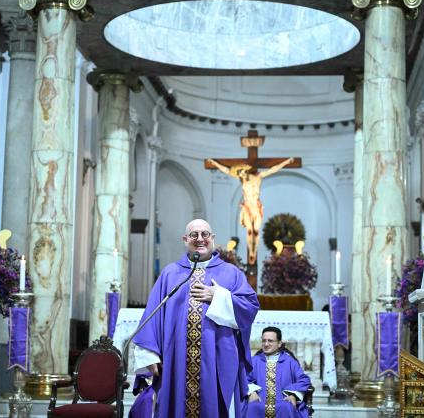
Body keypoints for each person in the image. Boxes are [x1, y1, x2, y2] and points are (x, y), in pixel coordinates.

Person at [133, 219, 260, 418]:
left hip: (218, 357)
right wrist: (149, 354)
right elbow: (153, 314)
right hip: (176, 360)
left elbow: (250, 307)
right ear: (185, 239)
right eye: (194, 235)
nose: (200, 239)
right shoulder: (170, 273)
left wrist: (218, 297)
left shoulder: (231, 273)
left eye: (205, 234)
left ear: (213, 239)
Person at [206, 158, 294, 266]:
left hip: (256, 208)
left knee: (256, 231)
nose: (240, 174)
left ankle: (254, 252)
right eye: (239, 173)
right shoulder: (242, 179)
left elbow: (273, 169)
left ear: (246, 170)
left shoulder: (258, 177)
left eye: (241, 172)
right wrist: (215, 163)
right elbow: (227, 171)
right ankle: (251, 254)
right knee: (249, 232)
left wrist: (286, 162)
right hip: (247, 207)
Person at [243, 327, 311, 418]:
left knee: (287, 406)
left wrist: (293, 395)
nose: (266, 344)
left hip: (283, 401)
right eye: (264, 341)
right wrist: (252, 392)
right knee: (252, 407)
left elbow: (304, 380)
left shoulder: (290, 362)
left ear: (279, 343)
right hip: (259, 400)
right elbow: (243, 378)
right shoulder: (254, 361)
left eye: (270, 341)